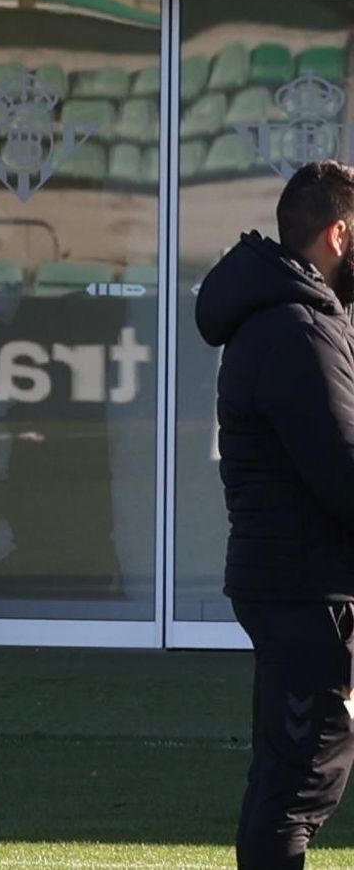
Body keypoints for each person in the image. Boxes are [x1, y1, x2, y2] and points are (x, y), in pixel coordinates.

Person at [196, 160, 354, 870]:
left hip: (299, 583)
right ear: (340, 234)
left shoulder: (297, 318)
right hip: (305, 588)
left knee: (292, 780)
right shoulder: (295, 329)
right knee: (297, 789)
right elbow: (342, 472)